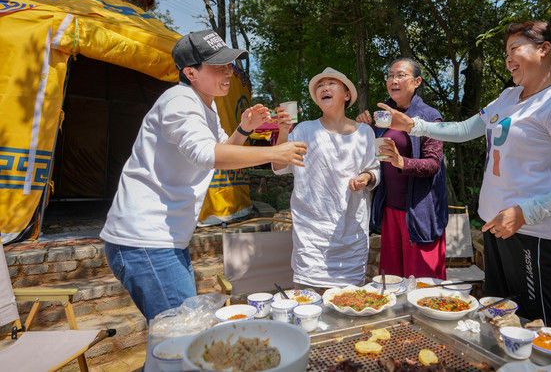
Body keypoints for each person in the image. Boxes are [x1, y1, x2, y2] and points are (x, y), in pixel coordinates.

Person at [378, 21, 551, 328]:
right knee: (499, 318)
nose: (508, 59)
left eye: (514, 49)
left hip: (533, 233)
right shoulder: (509, 97)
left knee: (540, 327)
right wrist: (415, 126)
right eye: (505, 53)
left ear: (544, 49)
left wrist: (526, 212)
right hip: (495, 226)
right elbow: (464, 130)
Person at [100, 30, 307, 321]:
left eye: (230, 64)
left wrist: (244, 129)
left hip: (165, 239)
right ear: (191, 73)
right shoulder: (180, 100)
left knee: (178, 333)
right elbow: (206, 154)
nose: (229, 72)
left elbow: (220, 156)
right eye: (218, 66)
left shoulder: (206, 106)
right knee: (181, 331)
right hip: (146, 239)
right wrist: (276, 153)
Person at [272, 67, 380, 290]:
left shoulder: (365, 133)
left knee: (349, 303)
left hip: (351, 235)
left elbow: (375, 170)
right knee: (308, 302)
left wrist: (365, 177)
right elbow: (279, 166)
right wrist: (283, 130)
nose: (324, 88)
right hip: (312, 237)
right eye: (320, 86)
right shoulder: (304, 130)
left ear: (347, 95)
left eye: (331, 83)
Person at [357, 59, 448, 280]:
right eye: (390, 76)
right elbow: (373, 157)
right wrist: (364, 127)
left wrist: (402, 162)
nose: (393, 80)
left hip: (419, 213)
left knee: (423, 286)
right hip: (390, 211)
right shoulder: (383, 117)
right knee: (391, 283)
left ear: (417, 82)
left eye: (400, 75)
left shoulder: (429, 116)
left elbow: (433, 163)